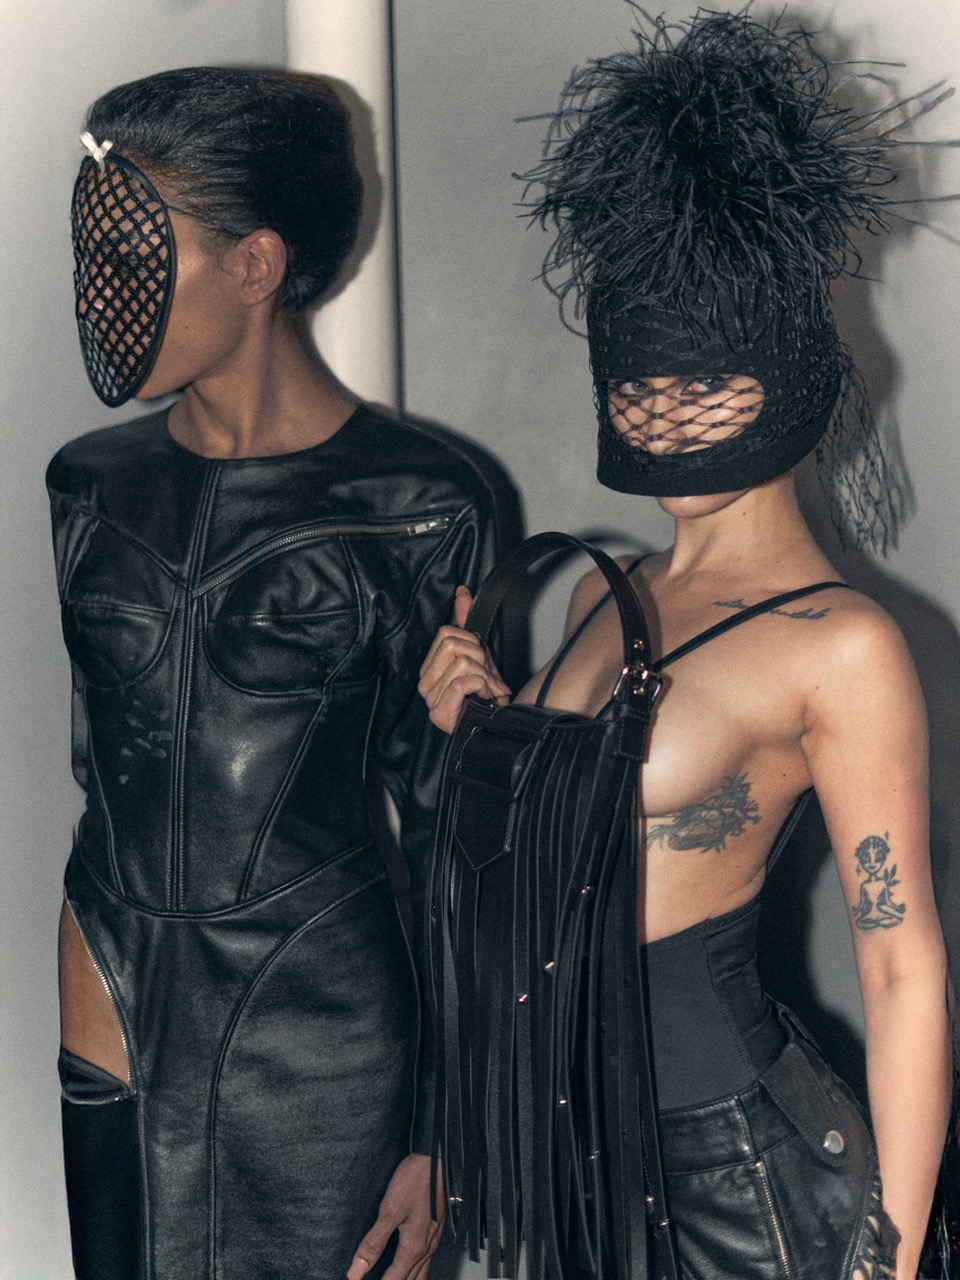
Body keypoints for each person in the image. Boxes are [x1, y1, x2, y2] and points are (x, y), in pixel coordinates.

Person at [418, 12, 951, 1279]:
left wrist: (891, 1258)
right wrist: (472, 718)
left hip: (734, 1177)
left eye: (703, 382)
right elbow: (537, 851)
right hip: (564, 1168)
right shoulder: (607, 597)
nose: (662, 412)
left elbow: (902, 966)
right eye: (638, 383)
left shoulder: (842, 644)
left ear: (787, 368)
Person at [47, 67, 494, 1280]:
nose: (96, 293)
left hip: (322, 1030)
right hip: (113, 988)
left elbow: (454, 836)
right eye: (90, 257)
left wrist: (442, 1127)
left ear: (255, 265)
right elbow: (104, 767)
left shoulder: (418, 505)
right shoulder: (87, 486)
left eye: (131, 258)